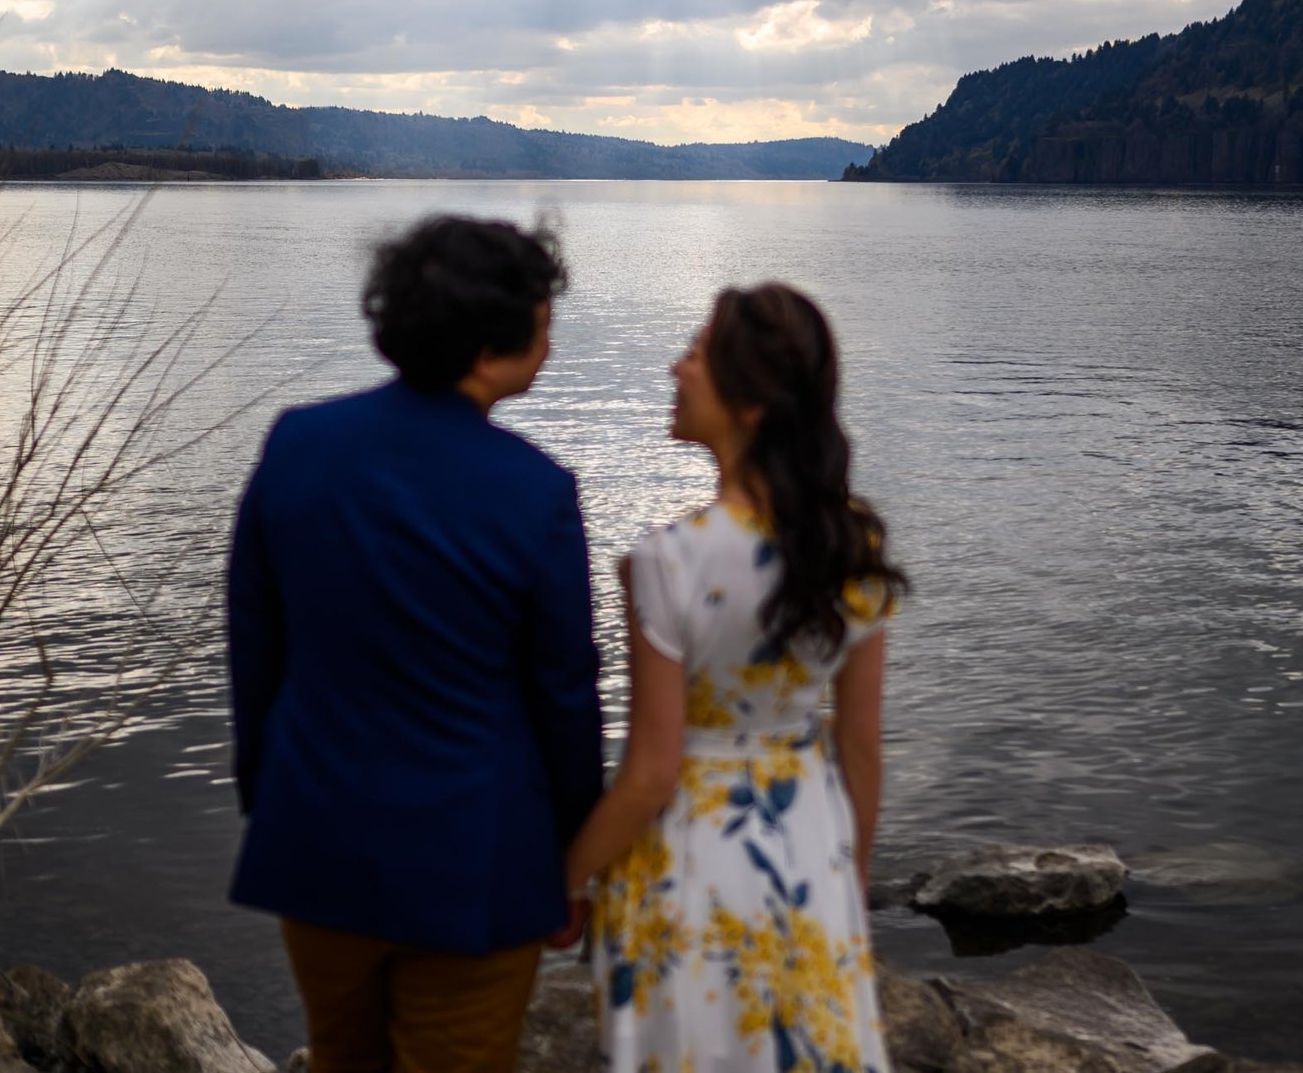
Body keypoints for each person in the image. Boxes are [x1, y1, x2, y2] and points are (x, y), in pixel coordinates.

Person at [226, 215, 604, 1073]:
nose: (550, 339)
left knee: (339, 1057)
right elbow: (565, 696)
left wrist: (271, 796)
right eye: (545, 319)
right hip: (475, 862)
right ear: (487, 343)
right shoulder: (534, 491)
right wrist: (569, 863)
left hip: (317, 837)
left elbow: (255, 646)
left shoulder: (297, 445)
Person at [566, 282, 909, 1073]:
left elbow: (652, 771)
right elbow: (861, 749)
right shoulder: (851, 545)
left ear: (751, 404)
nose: (675, 367)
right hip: (810, 846)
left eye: (696, 354)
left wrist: (567, 876)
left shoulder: (669, 559)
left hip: (689, 853)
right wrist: (847, 886)